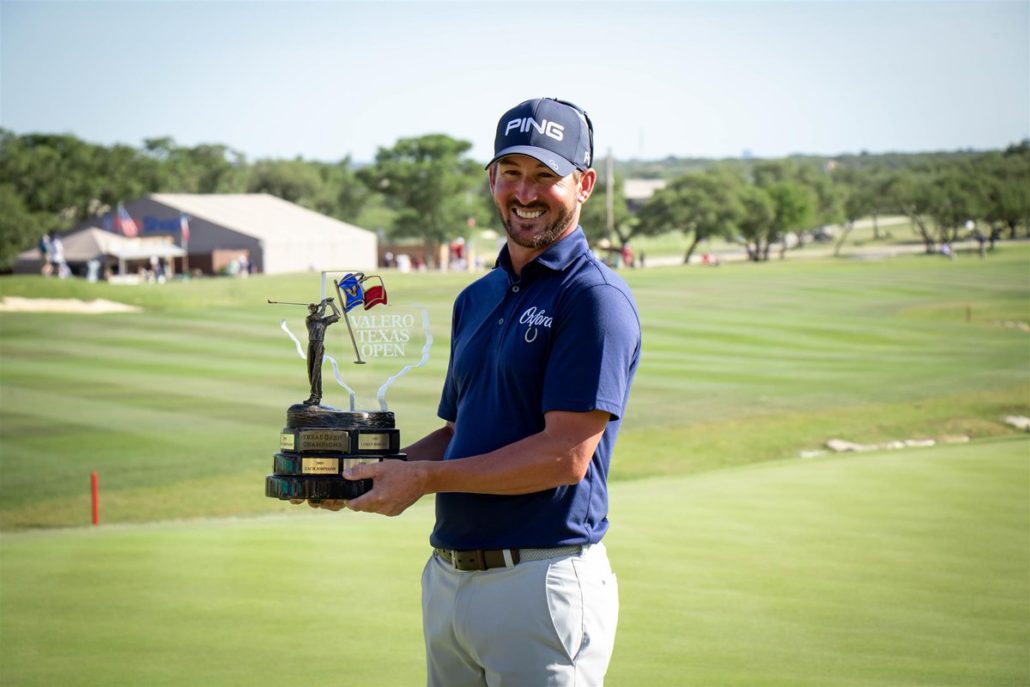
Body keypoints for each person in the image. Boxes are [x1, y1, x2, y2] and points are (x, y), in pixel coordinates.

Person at [307, 98, 641, 686]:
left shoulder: (593, 299)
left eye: (545, 176)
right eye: (511, 173)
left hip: (539, 583)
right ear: (491, 178)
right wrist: (369, 472)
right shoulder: (478, 297)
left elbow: (565, 457)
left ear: (584, 184)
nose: (525, 192)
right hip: (449, 579)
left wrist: (425, 481)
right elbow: (460, 432)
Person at [303, 297, 342, 405]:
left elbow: (338, 315)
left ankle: (314, 396)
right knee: (310, 370)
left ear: (315, 308)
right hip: (311, 344)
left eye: (313, 308)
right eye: (310, 308)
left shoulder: (324, 321)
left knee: (316, 370)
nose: (312, 310)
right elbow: (320, 314)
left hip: (319, 345)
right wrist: (324, 304)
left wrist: (332, 304)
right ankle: (316, 395)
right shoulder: (309, 319)